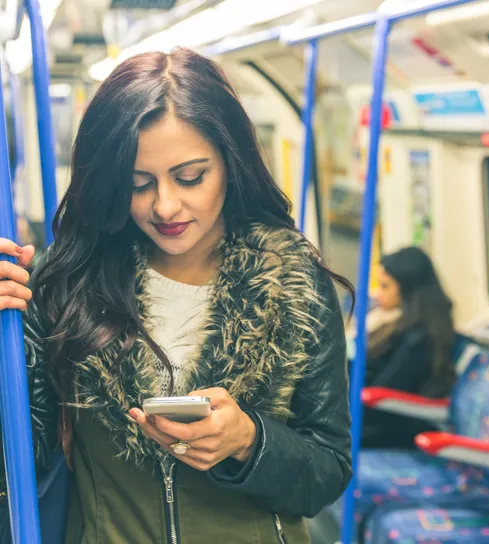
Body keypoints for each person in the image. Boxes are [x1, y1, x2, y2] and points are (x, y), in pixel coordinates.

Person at [0, 48, 353, 543]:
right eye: (138, 184)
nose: (166, 206)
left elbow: (327, 474)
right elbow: (21, 462)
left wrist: (249, 441)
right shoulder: (68, 284)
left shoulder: (292, 283)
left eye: (190, 177)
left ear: (231, 163)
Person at [362, 246, 456, 449]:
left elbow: (384, 390)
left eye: (385, 286)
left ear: (407, 288)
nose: (379, 294)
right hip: (376, 417)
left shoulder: (420, 339)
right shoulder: (405, 325)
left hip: (389, 427)